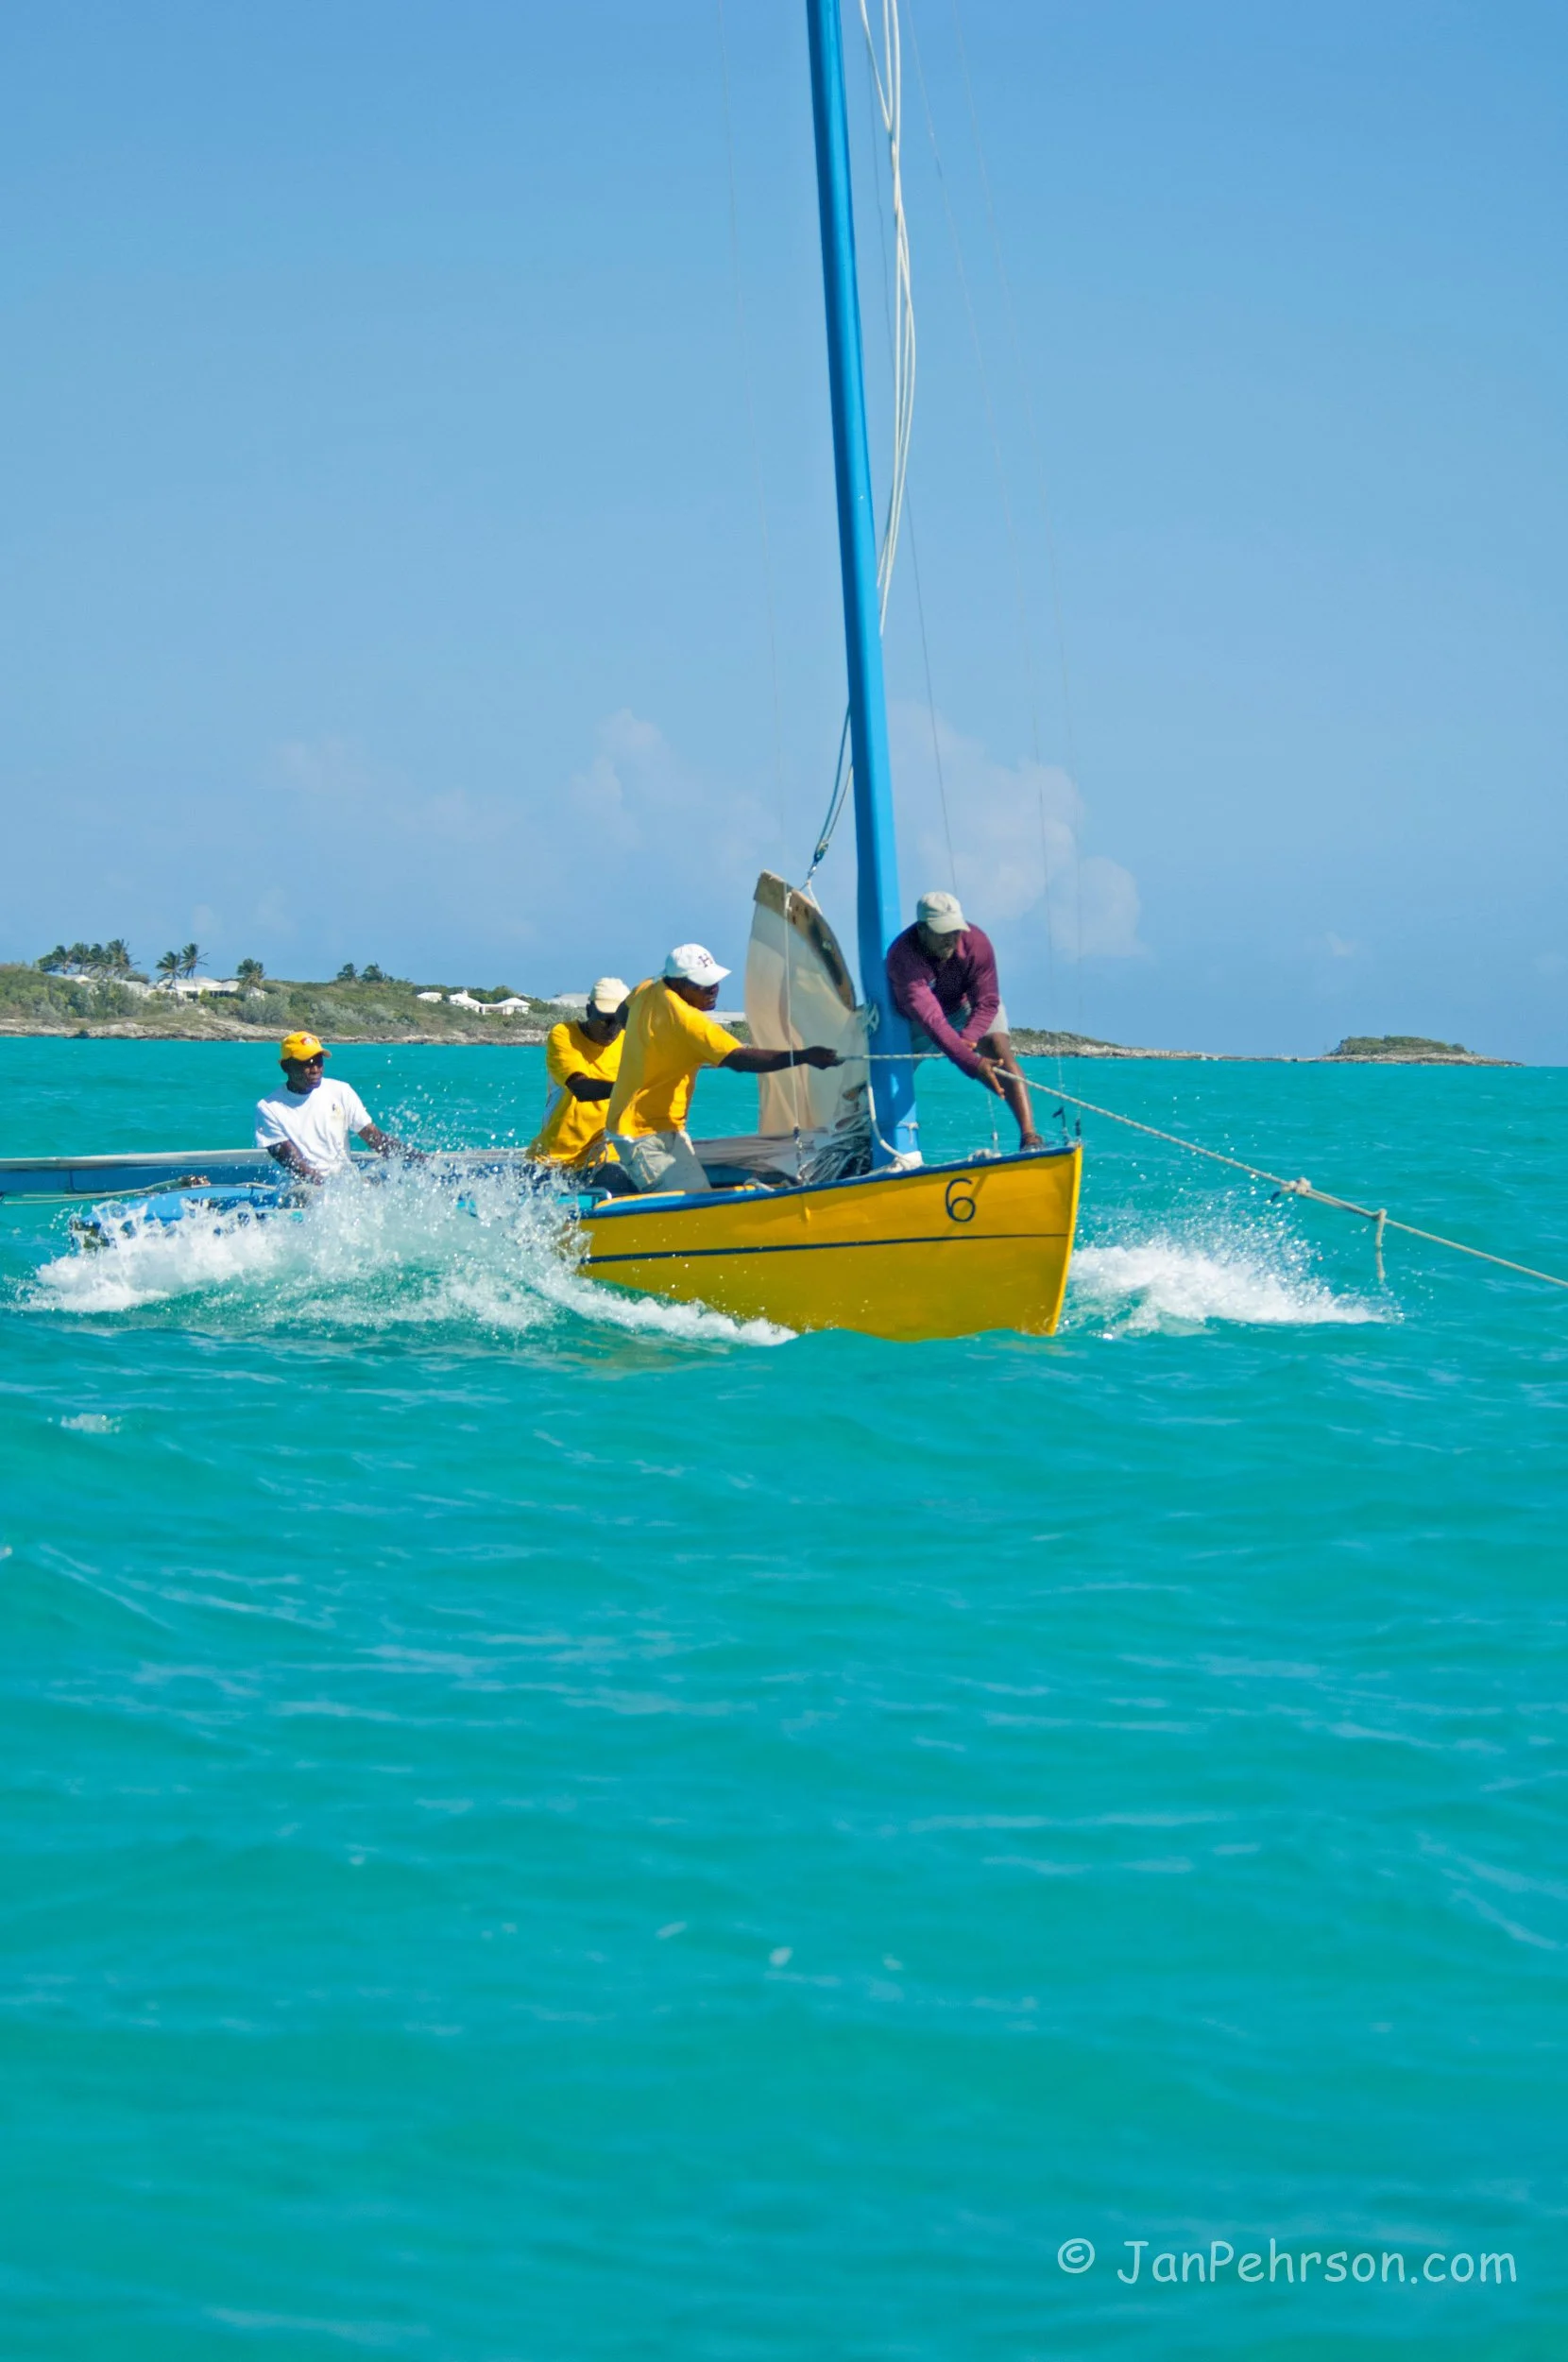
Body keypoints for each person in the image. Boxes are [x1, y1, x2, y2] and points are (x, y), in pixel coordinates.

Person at [601, 944, 840, 1192]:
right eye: (703, 985)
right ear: (679, 984)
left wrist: (651, 1045)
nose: (713, 989)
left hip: (661, 1125)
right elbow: (740, 1059)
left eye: (714, 981)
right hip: (639, 1132)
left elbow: (622, 1013)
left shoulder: (648, 987)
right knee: (692, 1198)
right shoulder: (688, 1022)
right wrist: (804, 1056)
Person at [887, 890, 1044, 1151]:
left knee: (998, 1049)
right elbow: (934, 1022)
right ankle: (881, 1148)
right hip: (916, 1021)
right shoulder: (903, 958)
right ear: (923, 929)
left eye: (955, 930)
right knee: (891, 1077)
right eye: (943, 932)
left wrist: (968, 1038)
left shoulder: (976, 943)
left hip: (966, 1006)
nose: (951, 939)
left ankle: (1030, 1138)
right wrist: (971, 1063)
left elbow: (988, 1002)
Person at [255, 1033, 417, 1182]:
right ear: (286, 1067)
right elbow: (297, 1168)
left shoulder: (341, 1091)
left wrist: (419, 1160)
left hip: (343, 1184)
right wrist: (336, 1194)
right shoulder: (269, 1108)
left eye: (318, 1061)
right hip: (302, 1186)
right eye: (307, 1063)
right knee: (314, 1196)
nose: (315, 1069)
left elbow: (375, 1138)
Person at [529, 978, 630, 1168]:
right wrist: (632, 1088)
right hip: (556, 1160)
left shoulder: (629, 1041)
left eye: (618, 1021)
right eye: (604, 1020)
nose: (612, 1029)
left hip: (606, 1157)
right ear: (589, 1010)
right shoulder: (564, 1035)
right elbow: (581, 1089)